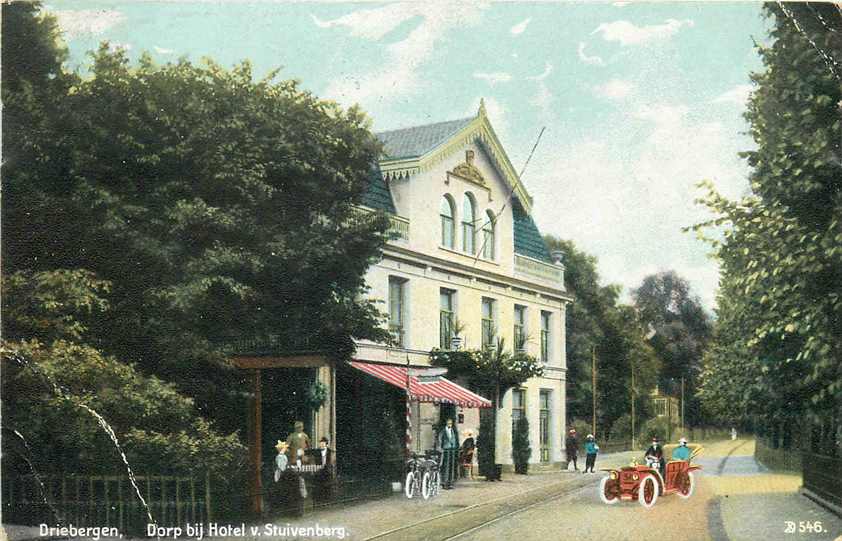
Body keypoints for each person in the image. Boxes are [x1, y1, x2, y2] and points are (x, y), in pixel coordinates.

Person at [438, 418, 460, 489]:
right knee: (446, 466)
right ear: (446, 423)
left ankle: (450, 482)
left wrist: (456, 446)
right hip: (446, 450)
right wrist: (441, 448)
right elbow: (440, 439)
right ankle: (444, 482)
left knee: (451, 466)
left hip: (452, 450)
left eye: (451, 423)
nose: (450, 425)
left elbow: (455, 439)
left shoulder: (453, 430)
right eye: (448, 423)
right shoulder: (443, 431)